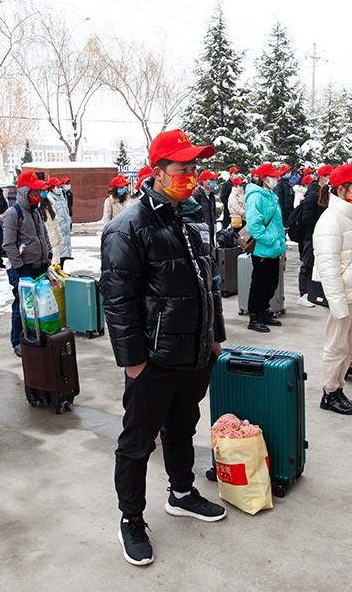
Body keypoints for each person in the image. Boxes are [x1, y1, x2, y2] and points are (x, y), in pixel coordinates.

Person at [100, 129, 226, 567]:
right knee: (138, 442)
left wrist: (214, 335)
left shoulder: (190, 218)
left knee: (182, 427)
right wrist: (133, 360)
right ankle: (132, 519)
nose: (191, 175)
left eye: (194, 167)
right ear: (157, 172)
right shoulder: (128, 227)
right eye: (182, 168)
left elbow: (209, 283)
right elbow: (118, 300)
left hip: (194, 352)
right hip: (153, 358)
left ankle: (182, 492)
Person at [312, 164, 352, 416]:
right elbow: (328, 266)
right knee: (336, 345)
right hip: (339, 295)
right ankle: (329, 392)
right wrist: (337, 302)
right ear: (341, 190)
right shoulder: (331, 220)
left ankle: (339, 388)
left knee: (349, 345)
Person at [2, 170, 52, 358]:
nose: (38, 195)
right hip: (24, 269)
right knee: (21, 305)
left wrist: (48, 253)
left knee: (39, 304)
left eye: (39, 191)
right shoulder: (13, 214)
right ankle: (17, 340)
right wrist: (19, 267)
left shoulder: (36, 211)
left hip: (40, 266)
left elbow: (43, 235)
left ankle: (36, 334)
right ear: (25, 192)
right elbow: (8, 244)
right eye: (35, 191)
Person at [244, 163, 287, 332]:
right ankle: (254, 316)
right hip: (263, 249)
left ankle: (263, 311)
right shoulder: (256, 196)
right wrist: (271, 240)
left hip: (273, 249)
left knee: (271, 283)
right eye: (272, 176)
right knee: (259, 284)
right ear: (263, 178)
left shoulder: (270, 195)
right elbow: (254, 225)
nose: (275, 179)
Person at [296, 164, 332, 307]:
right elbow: (307, 218)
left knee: (314, 265)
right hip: (310, 236)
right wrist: (319, 225)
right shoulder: (313, 194)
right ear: (322, 177)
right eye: (328, 176)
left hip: (319, 235)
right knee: (307, 264)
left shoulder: (324, 192)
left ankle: (311, 292)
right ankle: (303, 293)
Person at [48, 175, 73, 268]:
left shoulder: (62, 196)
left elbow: (67, 210)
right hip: (58, 231)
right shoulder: (50, 199)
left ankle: (61, 270)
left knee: (63, 256)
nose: (59, 188)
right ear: (52, 188)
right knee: (57, 256)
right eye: (57, 186)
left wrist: (69, 222)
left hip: (65, 230)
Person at [192, 169, 219, 250]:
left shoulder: (211, 195)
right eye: (211, 179)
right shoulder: (196, 195)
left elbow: (213, 211)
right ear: (203, 181)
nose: (213, 182)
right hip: (200, 229)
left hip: (210, 228)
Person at [40, 179, 64, 264]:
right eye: (42, 191)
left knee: (56, 263)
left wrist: (58, 236)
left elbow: (55, 222)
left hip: (54, 240)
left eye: (45, 190)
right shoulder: (37, 207)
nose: (45, 192)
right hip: (46, 243)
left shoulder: (50, 203)